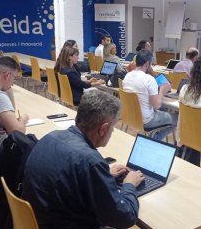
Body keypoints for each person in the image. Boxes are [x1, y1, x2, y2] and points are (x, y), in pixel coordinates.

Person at [22, 90, 144, 228]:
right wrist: (129, 185)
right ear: (103, 129)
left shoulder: (49, 137)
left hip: (40, 221)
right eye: (113, 126)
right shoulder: (91, 161)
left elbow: (68, 179)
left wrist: (104, 176)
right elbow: (125, 218)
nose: (113, 131)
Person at [123, 50, 177, 141]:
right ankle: (155, 139)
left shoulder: (127, 76)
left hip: (132, 117)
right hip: (147, 121)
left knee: (164, 109)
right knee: (178, 119)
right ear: (147, 64)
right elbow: (156, 106)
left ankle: (153, 137)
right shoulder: (149, 79)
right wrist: (162, 90)